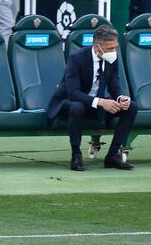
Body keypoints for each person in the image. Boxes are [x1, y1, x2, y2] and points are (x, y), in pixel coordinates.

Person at [47, 25, 138, 171]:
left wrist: (121, 98)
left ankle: (112, 156)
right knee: (78, 106)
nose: (113, 52)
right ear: (97, 47)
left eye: (115, 47)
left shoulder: (111, 58)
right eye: (110, 48)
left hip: (96, 104)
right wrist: (101, 102)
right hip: (69, 103)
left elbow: (114, 85)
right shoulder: (76, 59)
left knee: (131, 106)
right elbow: (73, 93)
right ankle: (76, 155)